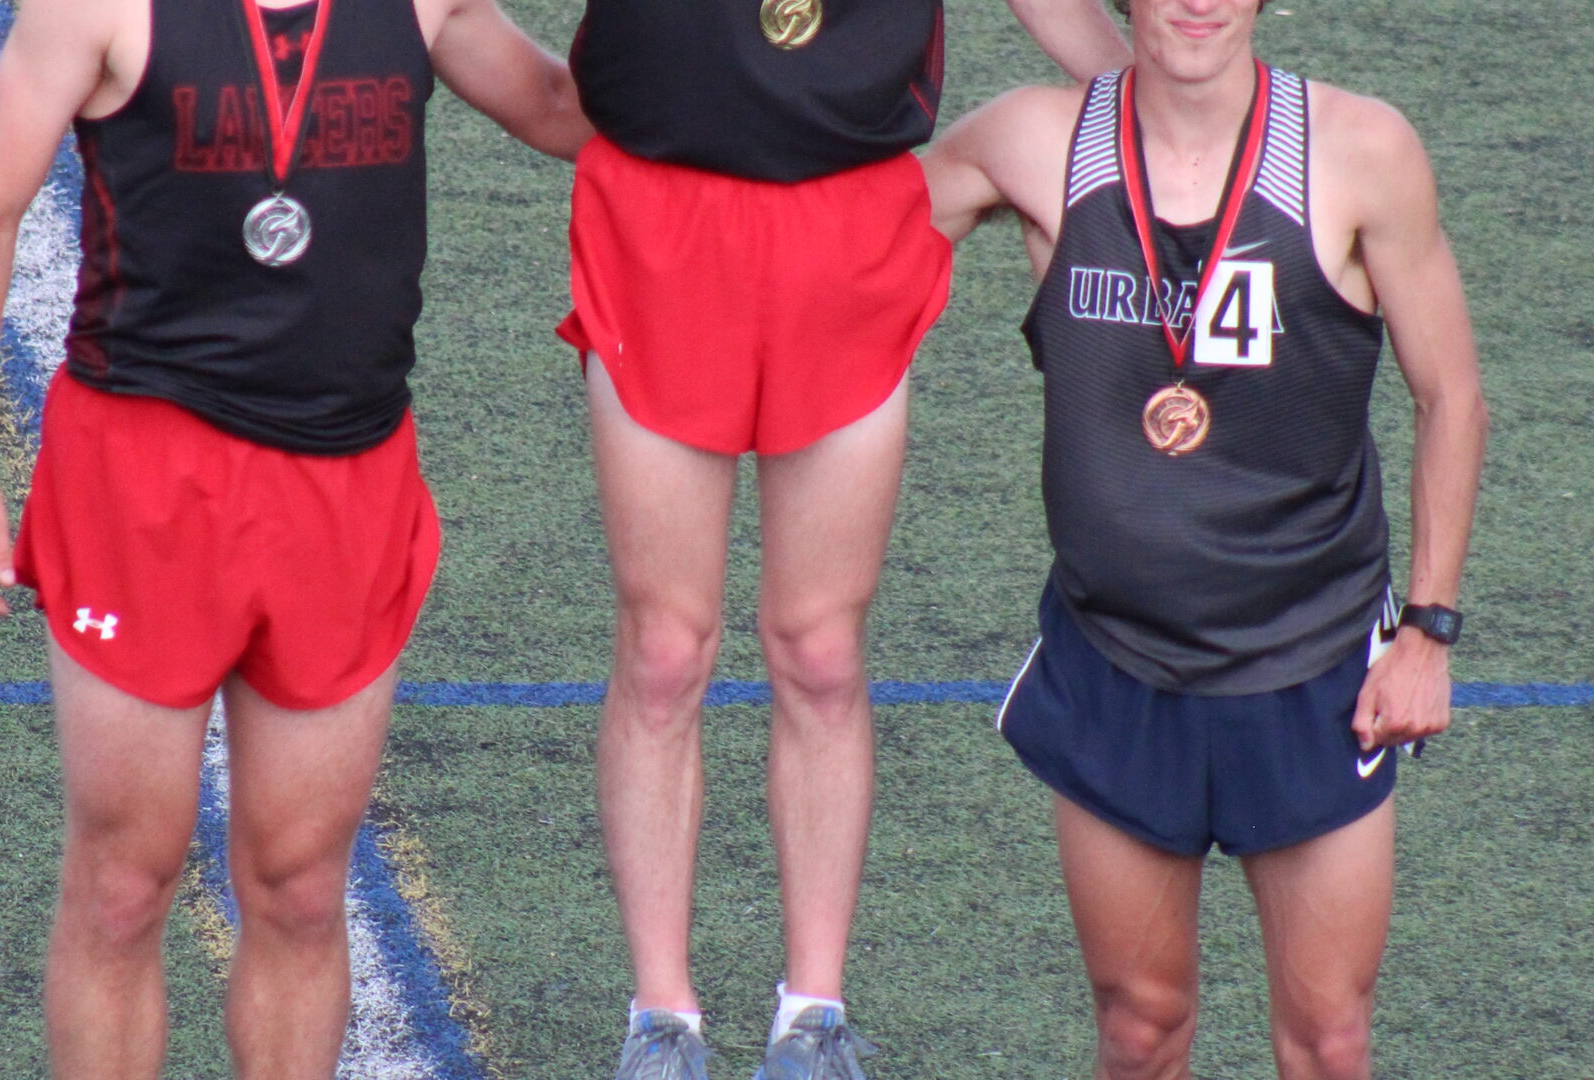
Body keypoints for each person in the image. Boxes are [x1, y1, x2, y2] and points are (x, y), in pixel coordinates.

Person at [0, 0, 590, 1073]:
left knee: (300, 884)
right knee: (123, 884)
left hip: (346, 474)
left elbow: (566, 109)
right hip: (147, 477)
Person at [558, 3, 1131, 1077]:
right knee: (665, 648)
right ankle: (659, 1021)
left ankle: (810, 1018)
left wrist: (1169, 97)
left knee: (820, 652)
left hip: (848, 213)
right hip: (658, 208)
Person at [919, 0, 1487, 1076]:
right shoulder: (1034, 142)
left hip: (1315, 666)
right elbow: (845, 233)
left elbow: (1452, 396)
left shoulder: (1362, 152)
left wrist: (1428, 632)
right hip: (1115, 659)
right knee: (1141, 1028)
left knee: (1328, 1040)